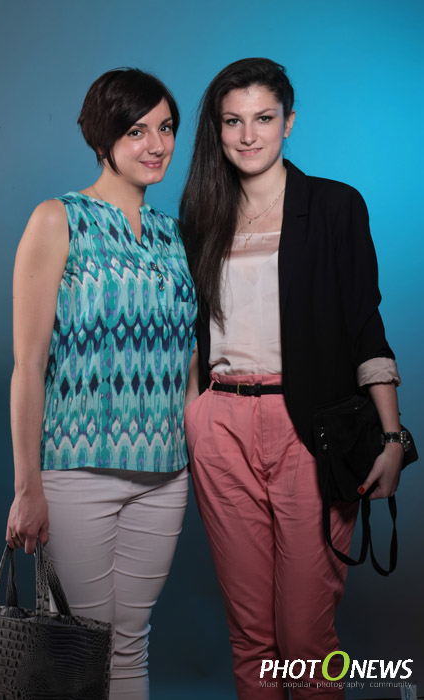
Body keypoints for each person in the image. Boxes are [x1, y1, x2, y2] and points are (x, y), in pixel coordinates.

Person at [180, 57, 404, 700]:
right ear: (217, 130)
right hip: (221, 428)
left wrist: (392, 438)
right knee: (251, 638)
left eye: (263, 118)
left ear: (289, 122)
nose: (248, 135)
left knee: (304, 640)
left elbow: (365, 326)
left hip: (309, 428)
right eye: (233, 121)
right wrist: (195, 414)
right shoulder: (202, 215)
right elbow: (192, 328)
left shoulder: (334, 206)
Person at [6, 68, 196, 700]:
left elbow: (189, 363)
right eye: (137, 130)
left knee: (130, 641)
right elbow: (28, 365)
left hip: (165, 476)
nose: (157, 145)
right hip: (76, 472)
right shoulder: (59, 219)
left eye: (166, 128)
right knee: (78, 653)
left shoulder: (175, 236)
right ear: (102, 136)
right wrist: (27, 487)